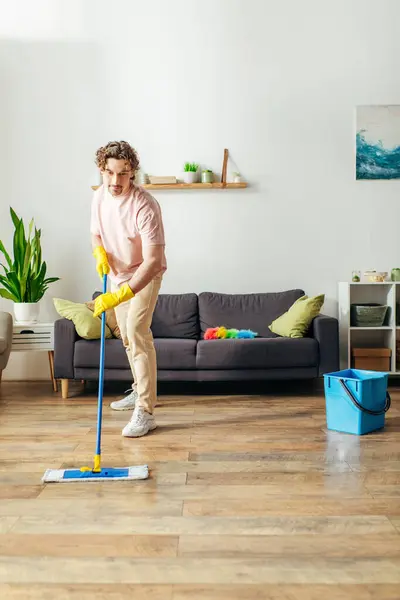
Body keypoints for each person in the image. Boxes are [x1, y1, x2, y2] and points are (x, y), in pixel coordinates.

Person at [91, 141, 167, 437]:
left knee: (136, 332)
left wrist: (123, 293)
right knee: (126, 337)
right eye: (109, 173)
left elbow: (153, 261)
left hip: (144, 275)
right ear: (102, 170)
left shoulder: (145, 205)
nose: (115, 181)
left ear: (132, 172)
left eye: (123, 174)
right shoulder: (99, 197)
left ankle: (146, 411)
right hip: (118, 275)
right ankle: (138, 388)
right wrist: (99, 253)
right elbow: (95, 233)